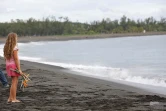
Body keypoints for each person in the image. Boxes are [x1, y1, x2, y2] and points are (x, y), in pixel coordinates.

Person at [3, 32, 23, 103]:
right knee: (15, 82)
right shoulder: (15, 47)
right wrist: (19, 69)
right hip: (13, 65)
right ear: (14, 39)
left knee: (12, 82)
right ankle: (14, 99)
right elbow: (16, 58)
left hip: (8, 65)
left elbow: (5, 58)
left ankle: (10, 98)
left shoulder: (6, 47)